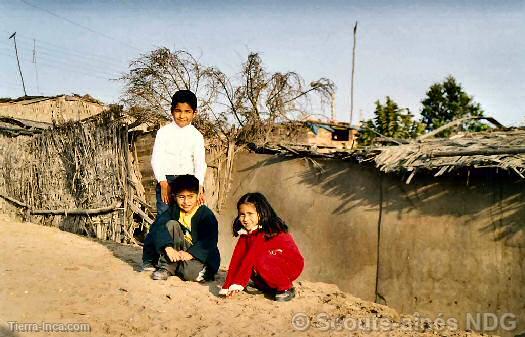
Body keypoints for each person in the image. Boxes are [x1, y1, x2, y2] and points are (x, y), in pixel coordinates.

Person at [219, 192, 304, 302]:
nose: (245, 219)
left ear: (261, 213)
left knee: (258, 260)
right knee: (252, 260)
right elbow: (237, 258)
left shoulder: (267, 231)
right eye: (242, 214)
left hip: (290, 264)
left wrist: (239, 283)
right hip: (269, 260)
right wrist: (229, 285)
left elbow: (250, 257)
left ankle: (286, 288)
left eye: (250, 214)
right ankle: (266, 285)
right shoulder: (246, 233)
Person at [142, 174, 220, 281]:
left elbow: (209, 240)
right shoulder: (174, 210)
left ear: (198, 195)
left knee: (189, 274)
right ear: (174, 196)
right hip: (178, 251)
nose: (186, 202)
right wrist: (167, 247)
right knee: (170, 224)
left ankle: (187, 269)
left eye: (190, 196)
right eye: (181, 197)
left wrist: (191, 254)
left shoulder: (206, 215)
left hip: (197, 255)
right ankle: (166, 267)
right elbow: (158, 226)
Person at [151, 89, 206, 217]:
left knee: (189, 218)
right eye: (178, 111)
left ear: (194, 113)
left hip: (189, 182)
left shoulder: (196, 136)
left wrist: (198, 186)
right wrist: (163, 183)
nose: (182, 116)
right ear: (172, 111)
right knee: (165, 217)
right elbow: (156, 160)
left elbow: (200, 163)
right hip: (167, 181)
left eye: (187, 112)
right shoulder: (163, 133)